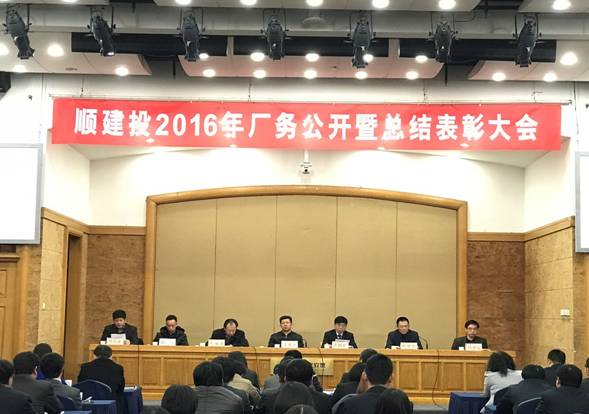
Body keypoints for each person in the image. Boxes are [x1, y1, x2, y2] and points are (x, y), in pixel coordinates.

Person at [78, 345, 125, 412]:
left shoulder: (85, 367)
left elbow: (80, 384)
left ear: (94, 356)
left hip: (90, 403)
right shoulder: (118, 368)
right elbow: (121, 388)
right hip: (110, 403)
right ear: (111, 356)